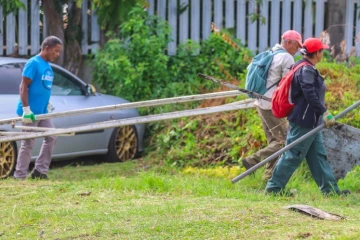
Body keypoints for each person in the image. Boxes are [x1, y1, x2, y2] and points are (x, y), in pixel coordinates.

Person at [265, 38, 350, 196]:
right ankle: (273, 189)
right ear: (316, 53)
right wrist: (324, 112)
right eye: (321, 51)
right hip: (303, 121)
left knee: (318, 156)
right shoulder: (306, 70)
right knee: (292, 155)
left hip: (311, 121)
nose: (322, 53)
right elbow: (309, 92)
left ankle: (330, 190)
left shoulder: (303, 66)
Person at [242, 30, 303, 180]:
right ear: (288, 42)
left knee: (274, 142)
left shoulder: (270, 53)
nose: (297, 50)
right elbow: (287, 85)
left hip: (260, 102)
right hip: (272, 105)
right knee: (284, 142)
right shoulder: (286, 58)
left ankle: (268, 177)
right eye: (296, 46)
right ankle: (253, 160)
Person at [13, 36, 63, 180]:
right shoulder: (33, 63)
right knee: (28, 142)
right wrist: (26, 109)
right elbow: (23, 86)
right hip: (30, 112)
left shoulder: (47, 65)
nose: (57, 55)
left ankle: (39, 171)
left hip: (42, 112)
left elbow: (43, 88)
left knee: (52, 136)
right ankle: (19, 176)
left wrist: (47, 104)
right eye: (56, 51)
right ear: (47, 48)